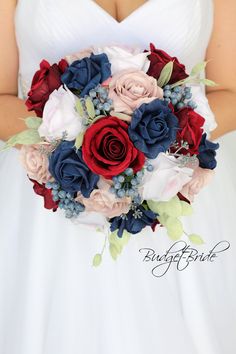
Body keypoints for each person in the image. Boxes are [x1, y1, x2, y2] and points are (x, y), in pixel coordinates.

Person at [0, 1, 235, 353]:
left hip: (178, 199)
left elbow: (229, 93)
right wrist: (78, 142)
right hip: (45, 213)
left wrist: (152, 145)